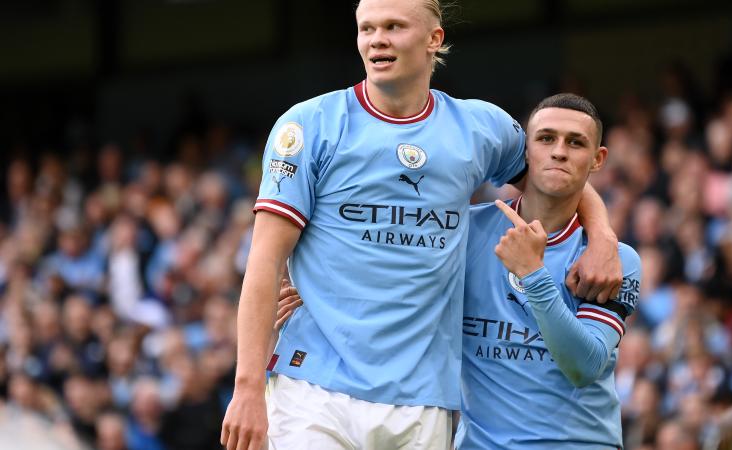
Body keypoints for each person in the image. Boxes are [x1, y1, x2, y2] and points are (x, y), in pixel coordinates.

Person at [220, 0, 622, 448]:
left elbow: (557, 176)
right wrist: (248, 387)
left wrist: (602, 235)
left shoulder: (479, 127)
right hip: (314, 387)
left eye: (393, 26)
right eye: (367, 28)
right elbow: (263, 261)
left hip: (424, 401)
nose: (377, 40)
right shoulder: (309, 126)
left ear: (435, 39)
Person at [457, 93, 641, 448]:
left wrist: (532, 273)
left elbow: (583, 366)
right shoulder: (466, 232)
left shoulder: (613, 260)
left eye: (575, 143)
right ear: (525, 150)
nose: (559, 151)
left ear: (597, 159)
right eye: (546, 138)